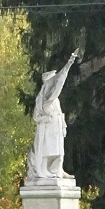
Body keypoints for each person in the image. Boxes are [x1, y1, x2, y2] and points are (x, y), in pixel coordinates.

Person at [27, 50, 78, 179]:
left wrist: (63, 126)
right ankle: (45, 170)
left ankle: (57, 170)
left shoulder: (56, 100)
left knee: (59, 151)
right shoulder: (43, 99)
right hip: (47, 128)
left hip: (56, 127)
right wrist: (46, 118)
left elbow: (60, 113)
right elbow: (36, 116)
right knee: (47, 150)